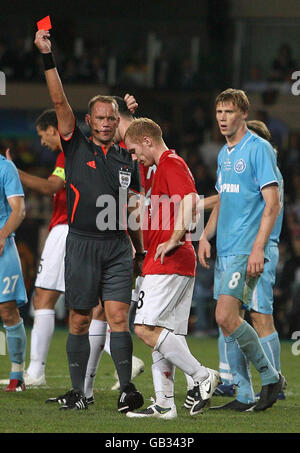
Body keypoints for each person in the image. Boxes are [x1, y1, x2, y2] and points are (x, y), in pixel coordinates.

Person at [35, 29, 144, 412]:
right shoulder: (76, 145)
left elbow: (131, 209)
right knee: (79, 321)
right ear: (88, 120)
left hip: (117, 246)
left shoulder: (128, 158)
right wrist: (48, 57)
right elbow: (57, 99)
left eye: (111, 119)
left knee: (117, 316)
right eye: (99, 118)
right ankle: (80, 393)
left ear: (117, 122)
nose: (105, 124)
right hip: (80, 243)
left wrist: (140, 250)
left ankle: (127, 390)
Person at [124, 118, 220, 419]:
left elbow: (191, 200)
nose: (134, 156)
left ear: (148, 142)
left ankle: (202, 376)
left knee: (143, 327)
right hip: (173, 259)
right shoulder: (160, 167)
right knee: (162, 333)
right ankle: (165, 405)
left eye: (134, 150)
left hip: (169, 259)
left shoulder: (170, 164)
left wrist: (174, 238)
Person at [198, 88, 285, 412]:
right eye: (219, 112)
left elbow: (272, 204)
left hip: (247, 250)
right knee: (227, 321)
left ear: (243, 114)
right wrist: (206, 236)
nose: (222, 118)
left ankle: (271, 377)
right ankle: (246, 394)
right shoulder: (225, 153)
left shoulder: (259, 149)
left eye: (229, 112)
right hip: (227, 248)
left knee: (229, 315)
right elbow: (223, 200)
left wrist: (258, 249)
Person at [6, 109, 68, 387]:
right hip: (81, 231)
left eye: (43, 136)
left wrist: (15, 171)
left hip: (65, 228)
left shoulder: (69, 153)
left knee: (42, 298)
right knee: (92, 307)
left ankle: (36, 371)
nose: (42, 142)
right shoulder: (70, 154)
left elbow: (50, 187)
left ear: (54, 129)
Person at [0, 151, 27, 391]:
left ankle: (17, 373)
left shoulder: (5, 168)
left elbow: (18, 209)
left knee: (7, 311)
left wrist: (2, 235)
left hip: (2, 247)